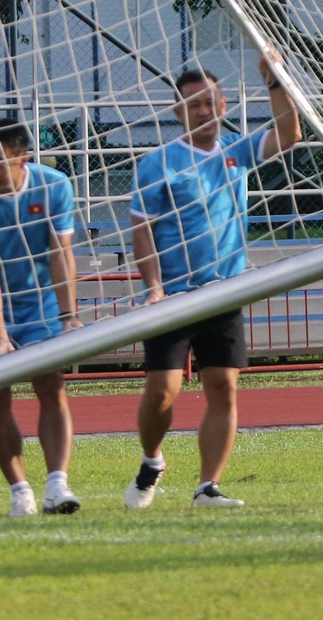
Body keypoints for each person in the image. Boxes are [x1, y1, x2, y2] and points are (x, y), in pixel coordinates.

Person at [124, 55, 300, 510]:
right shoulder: (157, 163)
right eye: (196, 104)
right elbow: (141, 228)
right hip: (174, 296)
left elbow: (289, 134)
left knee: (223, 385)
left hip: (225, 289)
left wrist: (274, 80)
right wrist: (154, 287)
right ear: (178, 111)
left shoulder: (235, 151)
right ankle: (151, 459)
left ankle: (208, 487)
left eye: (213, 102)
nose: (206, 110)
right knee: (163, 390)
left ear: (224, 106)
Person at [0, 118, 84, 517]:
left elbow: (61, 253)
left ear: (22, 157)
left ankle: (57, 485)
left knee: (51, 385)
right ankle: (19, 490)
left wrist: (69, 317)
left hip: (39, 300)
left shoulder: (54, 186)